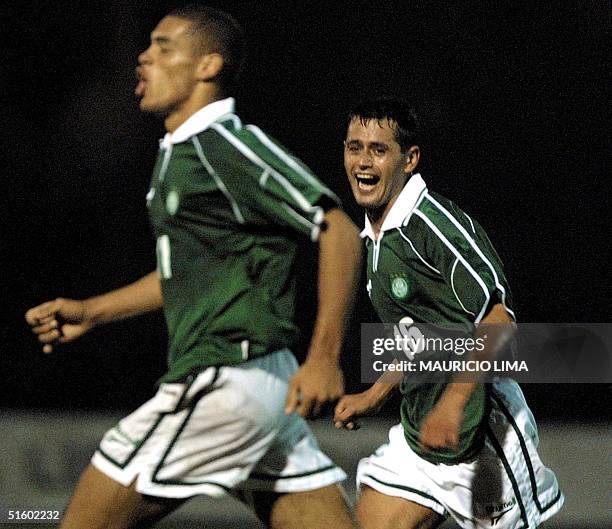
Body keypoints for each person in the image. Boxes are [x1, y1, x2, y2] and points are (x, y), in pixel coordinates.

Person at [25, 5, 361, 529]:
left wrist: (324, 358)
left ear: (208, 66)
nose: (144, 56)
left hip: (225, 380)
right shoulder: (179, 154)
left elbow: (337, 229)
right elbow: (188, 275)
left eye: (163, 46)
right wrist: (93, 311)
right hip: (260, 386)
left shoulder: (223, 145)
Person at [334, 98, 564, 529]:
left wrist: (453, 404)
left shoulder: (435, 227)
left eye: (378, 150)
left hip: (482, 435)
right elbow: (417, 339)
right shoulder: (374, 235)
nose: (363, 161)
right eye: (354, 146)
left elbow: (499, 323)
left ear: (410, 159)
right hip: (421, 434)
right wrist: (372, 396)